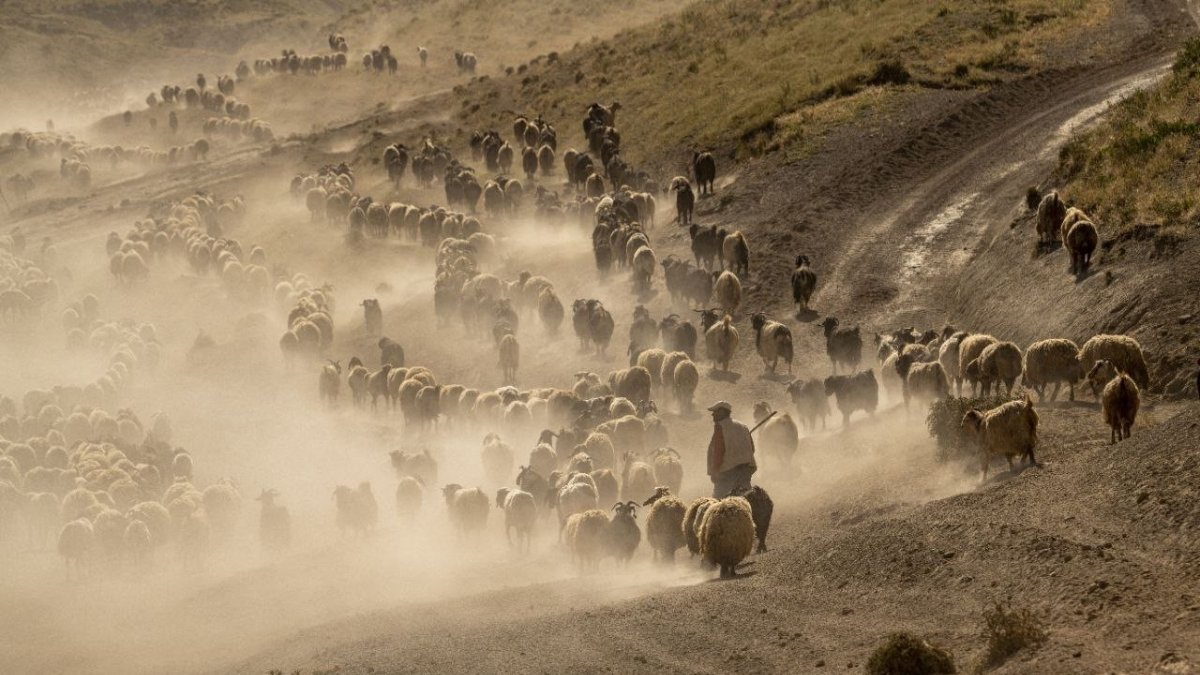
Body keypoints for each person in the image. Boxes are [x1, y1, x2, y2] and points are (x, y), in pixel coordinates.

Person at [706, 401, 756, 498]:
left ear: (722, 412)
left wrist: (715, 471)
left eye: (715, 412)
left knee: (718, 500)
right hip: (746, 468)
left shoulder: (720, 426)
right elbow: (752, 449)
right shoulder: (743, 426)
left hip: (728, 471)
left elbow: (718, 452)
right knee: (745, 497)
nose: (712, 414)